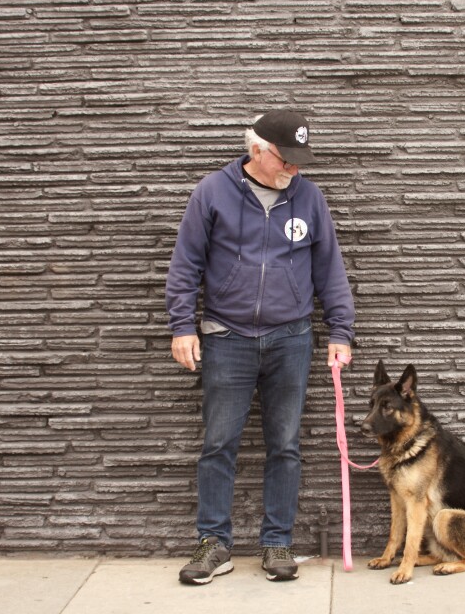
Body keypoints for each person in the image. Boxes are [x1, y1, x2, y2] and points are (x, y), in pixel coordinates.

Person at [165, 109, 355, 584]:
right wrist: (182, 326)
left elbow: (329, 269)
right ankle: (213, 542)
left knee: (285, 445)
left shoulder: (309, 198)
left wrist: (340, 332)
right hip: (226, 337)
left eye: (298, 159)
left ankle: (277, 542)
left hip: (291, 338)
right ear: (257, 150)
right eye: (285, 158)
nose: (293, 168)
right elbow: (186, 264)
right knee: (218, 444)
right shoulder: (213, 192)